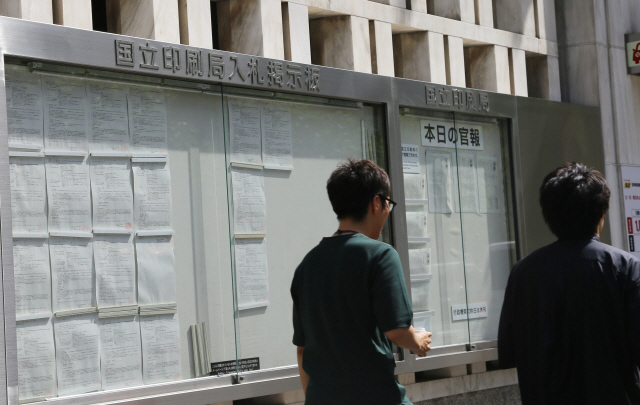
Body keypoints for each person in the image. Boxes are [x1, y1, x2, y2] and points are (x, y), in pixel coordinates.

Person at [290, 158, 432, 405]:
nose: (388, 211)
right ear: (376, 203)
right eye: (389, 203)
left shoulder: (307, 265)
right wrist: (417, 341)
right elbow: (398, 331)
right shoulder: (381, 255)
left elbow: (302, 350)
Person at [498, 162, 640, 404]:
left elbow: (510, 352)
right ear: (601, 214)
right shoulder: (625, 268)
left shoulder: (523, 273)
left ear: (549, 215)